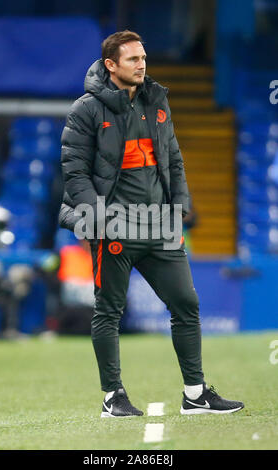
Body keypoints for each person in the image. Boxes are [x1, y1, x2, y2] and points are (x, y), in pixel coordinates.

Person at [58, 30, 244, 417]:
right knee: (108, 310)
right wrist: (100, 218)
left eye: (144, 57)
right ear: (111, 65)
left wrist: (180, 208)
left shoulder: (157, 101)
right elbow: (74, 173)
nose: (142, 64)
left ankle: (195, 394)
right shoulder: (86, 110)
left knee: (187, 303)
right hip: (114, 229)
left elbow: (173, 159)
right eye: (132, 59)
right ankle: (113, 397)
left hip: (159, 226)